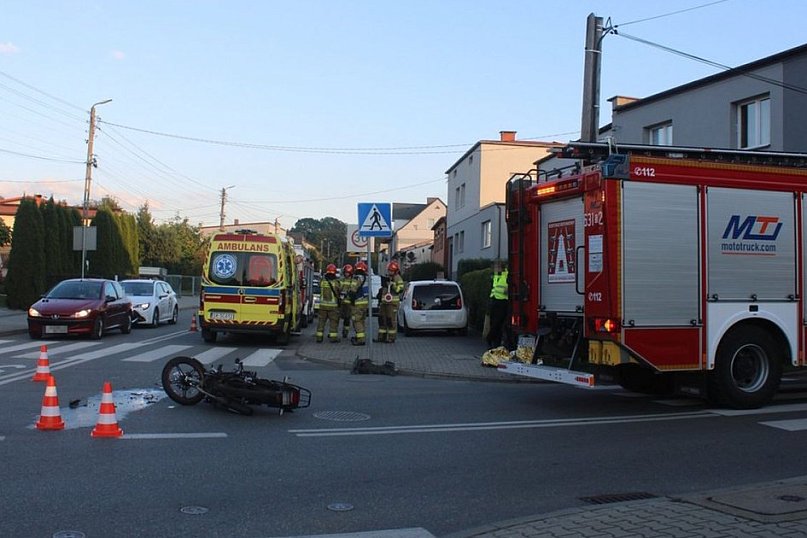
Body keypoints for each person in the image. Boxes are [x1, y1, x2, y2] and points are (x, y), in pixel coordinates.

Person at [376, 260, 404, 343]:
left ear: (395, 271)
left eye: (391, 270)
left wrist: (393, 285)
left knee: (390, 320)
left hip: (392, 304)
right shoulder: (387, 278)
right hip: (384, 303)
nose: (389, 272)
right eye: (389, 270)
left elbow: (400, 289)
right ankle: (381, 337)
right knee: (382, 320)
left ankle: (391, 338)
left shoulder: (397, 278)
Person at [315, 263, 341, 343]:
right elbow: (339, 291)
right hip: (333, 307)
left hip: (322, 306)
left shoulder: (322, 281)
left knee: (321, 322)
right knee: (333, 322)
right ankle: (333, 338)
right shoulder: (336, 282)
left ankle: (319, 338)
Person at [487, 259, 509, 349]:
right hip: (494, 301)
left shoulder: (507, 275)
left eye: (497, 267)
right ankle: (494, 343)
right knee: (494, 324)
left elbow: (511, 286)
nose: (495, 269)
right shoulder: (495, 276)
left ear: (501, 267)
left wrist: (508, 290)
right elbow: (493, 288)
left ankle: (491, 340)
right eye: (495, 267)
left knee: (497, 324)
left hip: (503, 302)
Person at [349, 261, 369, 346]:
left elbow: (353, 290)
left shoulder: (356, 278)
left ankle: (360, 339)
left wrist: (351, 299)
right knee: (361, 321)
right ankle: (360, 336)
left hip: (357, 303)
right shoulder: (367, 278)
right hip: (365, 303)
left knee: (357, 321)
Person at [339, 264, 354, 339]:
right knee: (337, 317)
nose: (346, 274)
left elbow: (353, 290)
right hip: (341, 302)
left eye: (347, 273)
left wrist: (347, 294)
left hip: (348, 303)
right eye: (345, 272)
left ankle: (345, 332)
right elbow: (338, 288)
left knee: (347, 318)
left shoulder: (352, 281)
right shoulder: (341, 279)